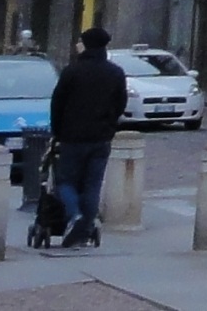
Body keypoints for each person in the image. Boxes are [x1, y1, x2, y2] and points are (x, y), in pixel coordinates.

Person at [46, 26, 130, 249]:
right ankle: (86, 227)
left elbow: (57, 103)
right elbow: (120, 103)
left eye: (80, 41)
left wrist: (57, 131)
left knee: (65, 181)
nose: (77, 45)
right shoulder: (115, 72)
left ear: (86, 44)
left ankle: (75, 215)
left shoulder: (72, 71)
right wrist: (110, 124)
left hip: (72, 136)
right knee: (93, 184)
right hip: (101, 137)